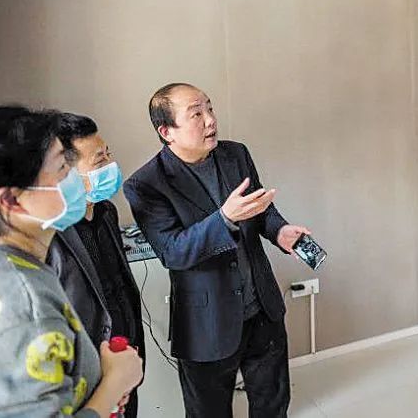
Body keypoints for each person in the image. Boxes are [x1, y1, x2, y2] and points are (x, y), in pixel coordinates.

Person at [124, 83, 310, 418]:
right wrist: (224, 218)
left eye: (209, 108)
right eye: (196, 114)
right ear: (167, 131)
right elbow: (173, 252)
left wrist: (279, 230)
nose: (210, 120)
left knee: (273, 404)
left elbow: (260, 209)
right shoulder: (146, 184)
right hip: (205, 323)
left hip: (262, 308)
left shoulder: (235, 154)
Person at [0, 106, 142, 417]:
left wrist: (97, 391)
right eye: (63, 168)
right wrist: (113, 384)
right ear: (12, 201)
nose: (74, 179)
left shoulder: (8, 265)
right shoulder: (25, 304)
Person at [47, 113, 146, 417]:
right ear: (65, 172)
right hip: (86, 369)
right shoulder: (52, 234)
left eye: (108, 155)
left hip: (125, 351)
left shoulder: (106, 212)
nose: (111, 165)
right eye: (99, 160)